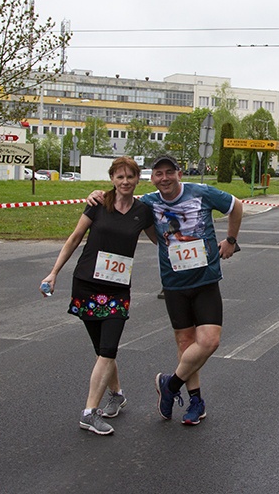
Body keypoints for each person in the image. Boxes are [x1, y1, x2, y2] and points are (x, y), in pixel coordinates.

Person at [89, 154, 242, 426]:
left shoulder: (201, 193)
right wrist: (98, 195)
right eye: (158, 174)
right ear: (152, 178)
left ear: (178, 173)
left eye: (169, 172)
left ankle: (169, 385)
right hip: (173, 284)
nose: (164, 178)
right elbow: (122, 201)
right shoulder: (148, 203)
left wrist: (230, 240)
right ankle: (196, 401)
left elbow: (236, 206)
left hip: (205, 279)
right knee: (185, 344)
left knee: (209, 341)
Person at [41, 156, 156, 436]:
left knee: (108, 349)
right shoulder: (98, 203)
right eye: (120, 177)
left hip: (117, 289)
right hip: (86, 285)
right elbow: (74, 238)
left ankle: (89, 412)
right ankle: (116, 394)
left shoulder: (143, 211)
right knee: (103, 349)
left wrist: (186, 252)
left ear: (137, 179)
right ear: (112, 179)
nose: (125, 182)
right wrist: (53, 272)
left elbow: (161, 241)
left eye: (130, 177)